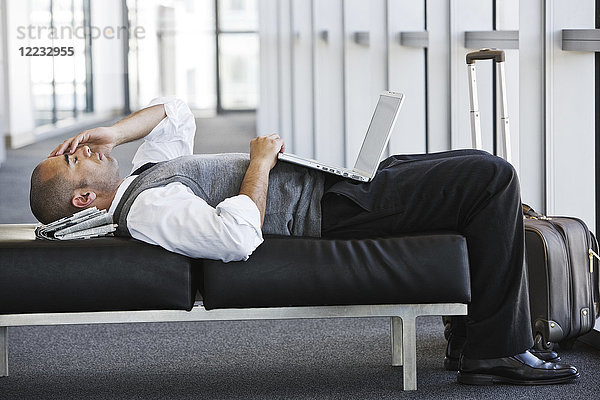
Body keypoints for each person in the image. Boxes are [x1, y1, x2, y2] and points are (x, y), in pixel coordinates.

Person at [30, 98, 579, 386]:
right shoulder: (146, 207)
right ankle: (498, 351)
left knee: (465, 168)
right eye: (73, 159)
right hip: (329, 213)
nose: (82, 150)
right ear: (82, 200)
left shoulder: (144, 174)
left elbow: (176, 110)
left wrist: (114, 134)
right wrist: (261, 164)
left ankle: (472, 340)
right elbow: (235, 237)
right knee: (490, 177)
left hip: (333, 189)